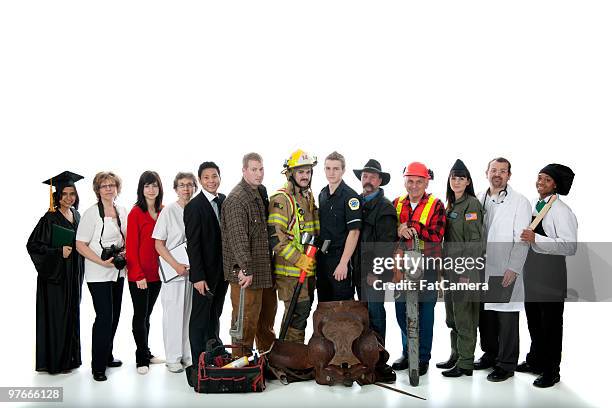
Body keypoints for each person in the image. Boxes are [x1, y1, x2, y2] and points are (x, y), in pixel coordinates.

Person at [518, 164, 577, 388]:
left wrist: (537, 239)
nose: (540, 182)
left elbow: (570, 246)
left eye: (547, 179)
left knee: (551, 323)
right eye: (539, 177)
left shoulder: (562, 211)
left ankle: (552, 371)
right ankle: (535, 361)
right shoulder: (536, 205)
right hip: (532, 271)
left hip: (551, 274)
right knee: (534, 318)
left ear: (556, 185)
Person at [474, 157, 531, 382]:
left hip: (504, 266)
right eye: (494, 170)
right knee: (485, 315)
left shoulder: (520, 202)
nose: (498, 174)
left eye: (503, 171)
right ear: (486, 172)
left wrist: (514, 268)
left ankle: (506, 364)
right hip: (481, 266)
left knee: (505, 318)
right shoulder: (478, 198)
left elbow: (523, 239)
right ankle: (490, 354)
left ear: (509, 175)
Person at [27, 171, 85, 374]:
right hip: (55, 277)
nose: (69, 198)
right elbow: (33, 245)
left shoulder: (77, 215)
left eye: (72, 194)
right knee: (57, 315)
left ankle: (70, 359)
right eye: (65, 194)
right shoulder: (49, 218)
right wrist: (57, 252)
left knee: (72, 313)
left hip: (74, 273)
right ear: (57, 196)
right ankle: (56, 362)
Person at [391, 162, 446, 377]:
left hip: (428, 266)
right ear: (405, 181)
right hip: (401, 266)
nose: (414, 186)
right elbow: (388, 235)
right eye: (410, 181)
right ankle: (408, 352)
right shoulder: (396, 203)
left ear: (426, 182)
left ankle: (422, 358)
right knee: (401, 310)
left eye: (419, 181)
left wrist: (413, 228)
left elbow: (436, 236)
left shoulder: (436, 204)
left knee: (424, 312)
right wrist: (397, 229)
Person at [221, 153, 276, 357]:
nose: (258, 174)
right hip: (246, 274)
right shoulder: (236, 199)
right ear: (244, 170)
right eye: (253, 169)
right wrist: (246, 269)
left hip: (264, 270)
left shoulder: (260, 192)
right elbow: (238, 239)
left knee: (265, 321)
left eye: (261, 169)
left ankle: (266, 360)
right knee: (245, 321)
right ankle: (240, 364)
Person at [76, 171, 127, 382]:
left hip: (118, 270)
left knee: (114, 317)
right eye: (104, 186)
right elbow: (80, 244)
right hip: (98, 273)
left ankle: (107, 355)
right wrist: (100, 261)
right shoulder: (90, 213)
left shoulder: (122, 210)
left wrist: (123, 254)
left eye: (112, 185)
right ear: (98, 190)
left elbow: (127, 238)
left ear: (117, 188)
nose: (108, 189)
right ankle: (97, 366)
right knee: (104, 317)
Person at [437, 159, 485, 378]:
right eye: (453, 177)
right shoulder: (451, 205)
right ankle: (456, 355)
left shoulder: (472, 205)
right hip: (450, 270)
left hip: (465, 270)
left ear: (468, 181)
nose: (456, 181)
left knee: (465, 317)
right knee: (452, 317)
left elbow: (475, 242)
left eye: (461, 178)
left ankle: (466, 363)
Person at [352, 159, 397, 383]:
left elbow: (387, 245)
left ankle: (379, 362)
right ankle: (364, 358)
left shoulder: (385, 208)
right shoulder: (357, 202)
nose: (368, 180)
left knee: (376, 315)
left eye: (372, 177)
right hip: (358, 271)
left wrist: (376, 272)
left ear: (380, 181)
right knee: (362, 316)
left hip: (374, 273)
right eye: (365, 176)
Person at [268, 149, 319, 344]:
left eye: (308, 172)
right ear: (290, 174)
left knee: (302, 314)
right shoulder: (281, 200)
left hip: (307, 269)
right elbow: (276, 238)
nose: (305, 176)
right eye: (300, 172)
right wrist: (299, 259)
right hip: (290, 271)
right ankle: (289, 358)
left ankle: (293, 357)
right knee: (295, 315)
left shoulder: (307, 197)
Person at [184, 162, 229, 368]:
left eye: (215, 176)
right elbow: (192, 245)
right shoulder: (194, 206)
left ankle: (212, 355)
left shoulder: (224, 200)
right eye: (206, 177)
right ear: (200, 181)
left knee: (215, 314)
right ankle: (197, 363)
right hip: (205, 274)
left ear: (220, 177)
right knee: (200, 318)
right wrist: (198, 277)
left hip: (223, 272)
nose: (211, 181)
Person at [153, 172, 197, 373]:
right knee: (173, 315)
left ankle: (187, 355)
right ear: (175, 189)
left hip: (193, 273)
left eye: (189, 185)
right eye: (182, 185)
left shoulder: (197, 209)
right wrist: (176, 265)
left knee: (189, 315)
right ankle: (173, 357)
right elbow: (159, 244)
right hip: (174, 272)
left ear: (194, 187)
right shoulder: (168, 212)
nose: (186, 189)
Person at [126, 171, 165, 375]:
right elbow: (131, 247)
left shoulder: (163, 211)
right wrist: (138, 274)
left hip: (157, 275)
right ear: (141, 189)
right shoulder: (135, 213)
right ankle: (141, 358)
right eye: (147, 186)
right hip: (139, 275)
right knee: (140, 316)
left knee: (147, 315)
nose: (151, 190)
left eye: (154, 186)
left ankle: (147, 352)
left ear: (160, 188)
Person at [317, 151, 362, 301]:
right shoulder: (322, 194)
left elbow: (354, 232)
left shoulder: (350, 197)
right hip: (322, 258)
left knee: (343, 307)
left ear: (343, 170)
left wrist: (343, 263)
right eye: (328, 168)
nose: (331, 172)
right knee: (324, 305)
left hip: (340, 259)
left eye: (336, 168)